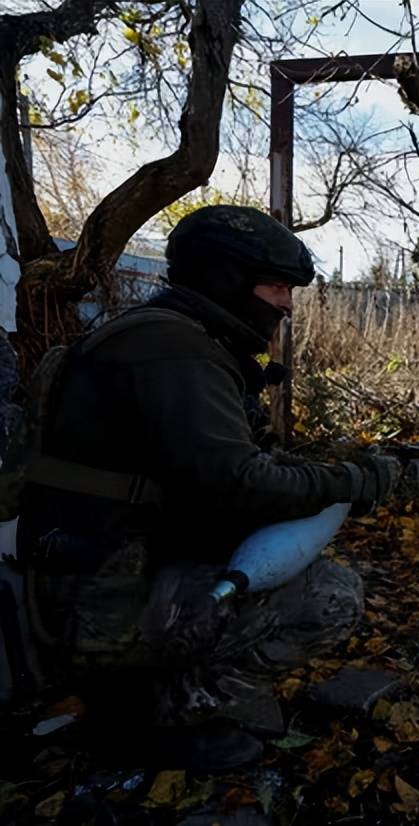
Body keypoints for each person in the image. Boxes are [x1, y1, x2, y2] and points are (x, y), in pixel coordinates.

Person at [12, 205, 399, 770]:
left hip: (86, 581)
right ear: (224, 279)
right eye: (275, 287)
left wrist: (324, 479)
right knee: (328, 597)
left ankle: (139, 691)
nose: (286, 304)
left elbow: (224, 468)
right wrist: (356, 481)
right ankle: (155, 718)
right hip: (96, 609)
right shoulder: (178, 352)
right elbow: (240, 483)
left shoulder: (157, 337)